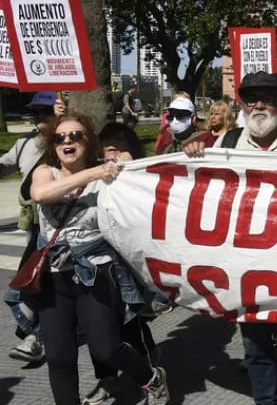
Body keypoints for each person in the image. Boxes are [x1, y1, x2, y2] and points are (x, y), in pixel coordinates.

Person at [185, 71, 277, 405]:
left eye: (267, 98)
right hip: (246, 264)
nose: (259, 105)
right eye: (251, 99)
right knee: (255, 343)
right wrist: (191, 157)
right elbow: (204, 189)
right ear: (242, 104)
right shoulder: (227, 143)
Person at [30, 112, 170, 405]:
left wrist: (129, 165)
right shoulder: (46, 172)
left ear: (89, 142)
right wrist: (95, 172)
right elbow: (41, 195)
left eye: (76, 136)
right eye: (60, 137)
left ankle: (150, 377)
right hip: (53, 276)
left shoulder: (109, 176)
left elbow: (146, 184)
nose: (67, 141)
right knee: (58, 355)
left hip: (96, 273)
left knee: (106, 349)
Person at [83, 122, 162, 405]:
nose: (109, 158)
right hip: (97, 263)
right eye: (104, 152)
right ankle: (107, 379)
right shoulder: (92, 175)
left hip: (129, 263)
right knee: (99, 329)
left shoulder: (142, 179)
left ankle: (150, 373)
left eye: (116, 151)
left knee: (131, 323)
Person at [4, 91, 57, 364]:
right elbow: (6, 165)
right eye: (36, 112)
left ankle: (36, 337)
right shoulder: (25, 144)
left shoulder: (66, 143)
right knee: (35, 283)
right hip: (34, 226)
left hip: (56, 227)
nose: (39, 118)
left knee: (30, 286)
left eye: (45, 112)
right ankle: (38, 334)